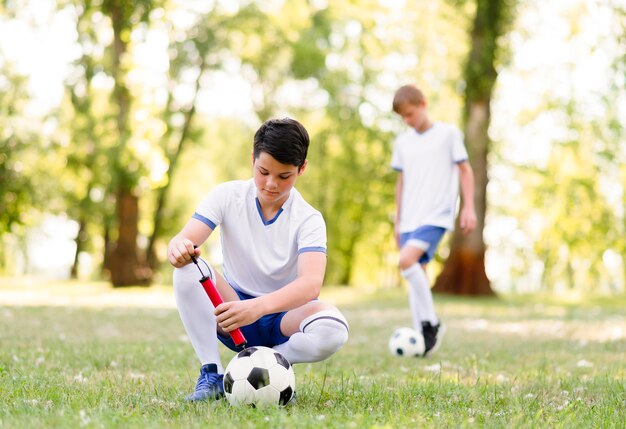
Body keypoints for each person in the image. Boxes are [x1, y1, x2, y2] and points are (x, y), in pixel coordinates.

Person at [167, 118, 349, 402]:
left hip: (283, 320)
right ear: (252, 159)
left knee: (334, 328)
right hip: (233, 314)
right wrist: (177, 250)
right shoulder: (226, 196)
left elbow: (311, 285)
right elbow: (183, 241)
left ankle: (274, 366)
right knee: (188, 269)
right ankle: (212, 373)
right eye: (263, 171)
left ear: (302, 169)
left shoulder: (309, 219)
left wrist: (257, 308)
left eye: (284, 176)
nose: (271, 184)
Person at [390, 84, 477, 357]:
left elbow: (465, 170)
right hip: (408, 219)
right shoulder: (403, 142)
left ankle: (432, 323)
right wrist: (397, 220)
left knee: (406, 261)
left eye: (410, 113)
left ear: (423, 104)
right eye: (403, 117)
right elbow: (401, 182)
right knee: (415, 274)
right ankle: (423, 341)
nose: (408, 120)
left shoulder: (448, 134)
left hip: (435, 214)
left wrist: (468, 208)